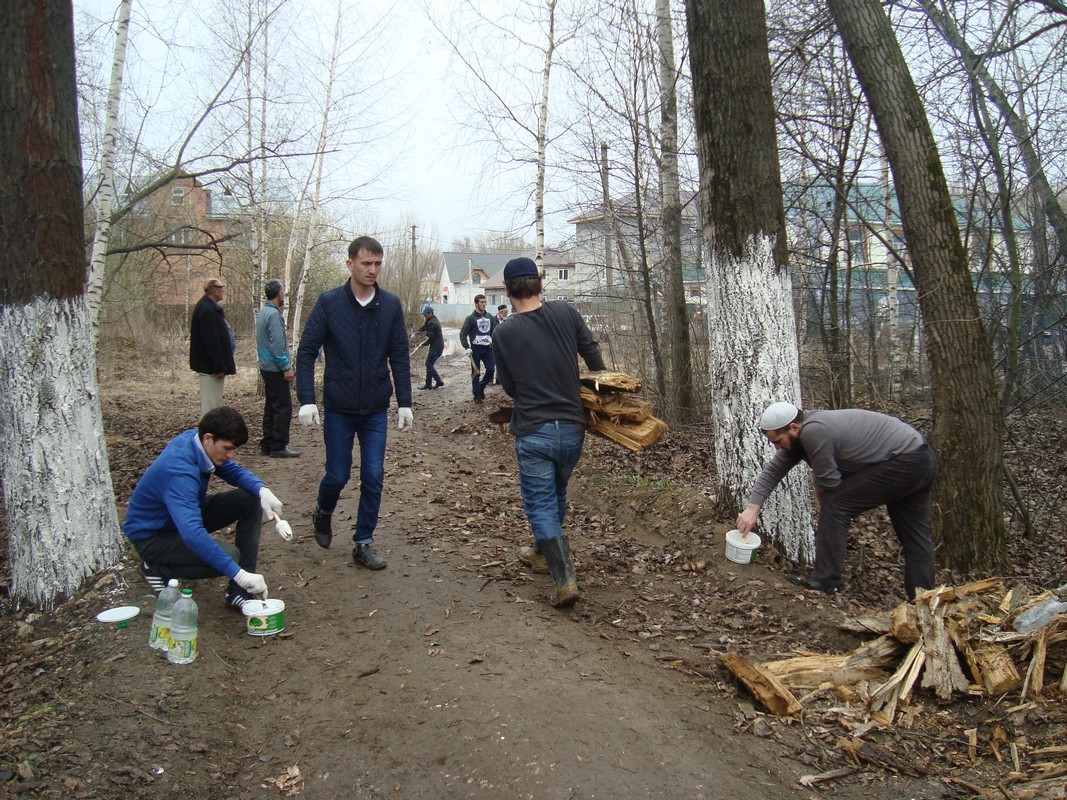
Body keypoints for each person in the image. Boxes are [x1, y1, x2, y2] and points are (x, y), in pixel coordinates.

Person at [492, 257, 606, 608]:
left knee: (540, 503)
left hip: (535, 431)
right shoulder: (566, 313)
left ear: (509, 291)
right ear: (540, 284)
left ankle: (565, 580)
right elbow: (591, 353)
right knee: (556, 493)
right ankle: (542, 553)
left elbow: (510, 387)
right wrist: (606, 393)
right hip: (573, 429)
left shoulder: (504, 332)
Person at [736, 402, 937, 600]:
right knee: (915, 538)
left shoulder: (814, 432)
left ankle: (826, 580)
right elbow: (773, 470)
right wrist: (752, 509)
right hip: (920, 458)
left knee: (836, 504)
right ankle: (921, 602)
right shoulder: (799, 435)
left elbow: (829, 483)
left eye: (778, 441)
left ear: (794, 428)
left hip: (905, 461)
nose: (778, 448)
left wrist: (826, 507)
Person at [296, 235, 413, 570]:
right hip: (340, 406)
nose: (373, 270)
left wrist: (404, 401)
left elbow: (399, 356)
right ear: (350, 264)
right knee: (337, 474)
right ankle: (323, 510)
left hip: (375, 406)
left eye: (378, 263)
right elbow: (306, 353)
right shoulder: (330, 303)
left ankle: (363, 542)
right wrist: (307, 400)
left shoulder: (389, 305)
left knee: (374, 475)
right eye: (366, 263)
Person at [122, 406, 283, 609]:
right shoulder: (180, 473)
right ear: (208, 438)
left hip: (177, 517)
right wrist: (237, 572)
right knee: (231, 556)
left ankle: (239, 592)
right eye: (227, 448)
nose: (231, 455)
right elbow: (192, 533)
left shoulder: (195, 441)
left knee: (249, 499)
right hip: (153, 536)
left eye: (235, 449)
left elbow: (233, 472)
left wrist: (262, 491)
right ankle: (156, 568)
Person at [256, 279, 298, 458]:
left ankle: (268, 443)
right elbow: (278, 345)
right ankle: (279, 446)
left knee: (271, 406)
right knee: (283, 407)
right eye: (283, 293)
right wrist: (286, 367)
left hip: (265, 366)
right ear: (279, 294)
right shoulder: (273, 315)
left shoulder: (263, 312)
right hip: (275, 367)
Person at [189, 278, 236, 416]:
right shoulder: (207, 309)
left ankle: (210, 433)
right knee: (211, 406)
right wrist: (219, 367)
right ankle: (208, 434)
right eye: (221, 289)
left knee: (213, 403)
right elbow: (212, 341)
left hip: (211, 367)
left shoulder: (209, 307)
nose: (223, 292)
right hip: (210, 369)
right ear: (215, 291)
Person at [459, 294, 497, 404]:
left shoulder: (490, 316)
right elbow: (463, 333)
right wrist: (466, 347)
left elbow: (493, 332)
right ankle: (477, 396)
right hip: (475, 349)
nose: (484, 304)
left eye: (485, 302)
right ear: (476, 304)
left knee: (491, 369)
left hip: (488, 348)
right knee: (476, 372)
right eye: (481, 302)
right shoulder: (470, 318)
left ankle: (481, 387)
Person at [415, 306, 445, 390]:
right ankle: (428, 384)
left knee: (428, 364)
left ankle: (438, 381)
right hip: (437, 346)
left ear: (430, 313)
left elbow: (431, 337)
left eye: (425, 315)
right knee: (429, 363)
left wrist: (423, 344)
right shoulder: (432, 320)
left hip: (437, 347)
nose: (424, 316)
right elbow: (425, 328)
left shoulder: (432, 323)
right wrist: (418, 332)